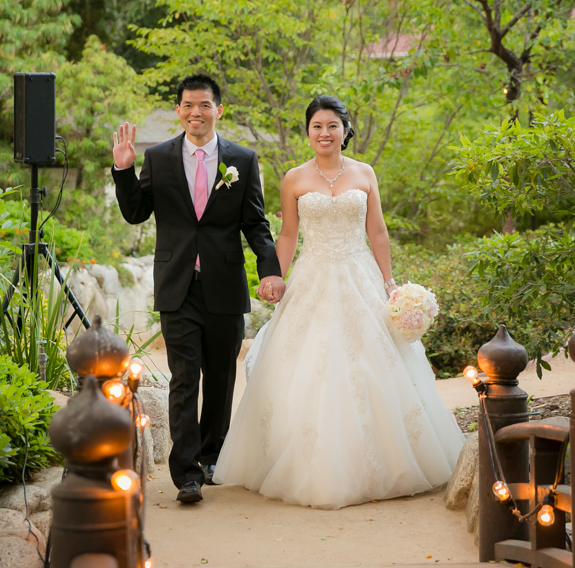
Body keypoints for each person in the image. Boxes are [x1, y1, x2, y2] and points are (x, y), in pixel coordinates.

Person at [213, 95, 465, 509]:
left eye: (332, 126)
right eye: (316, 126)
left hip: (359, 276)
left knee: (371, 365)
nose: (324, 133)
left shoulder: (365, 173)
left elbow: (378, 231)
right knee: (307, 366)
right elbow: (290, 234)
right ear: (307, 132)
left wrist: (390, 284)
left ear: (346, 131)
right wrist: (275, 275)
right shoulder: (294, 178)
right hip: (312, 277)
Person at [111, 74, 285, 505]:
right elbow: (136, 213)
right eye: (188, 105)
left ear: (218, 110)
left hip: (224, 285)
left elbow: (255, 224)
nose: (196, 112)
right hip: (178, 287)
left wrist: (270, 270)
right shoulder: (160, 157)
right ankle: (187, 474)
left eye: (204, 105)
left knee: (221, 379)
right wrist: (123, 169)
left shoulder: (242, 160)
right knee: (184, 381)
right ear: (179, 110)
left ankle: (210, 457)